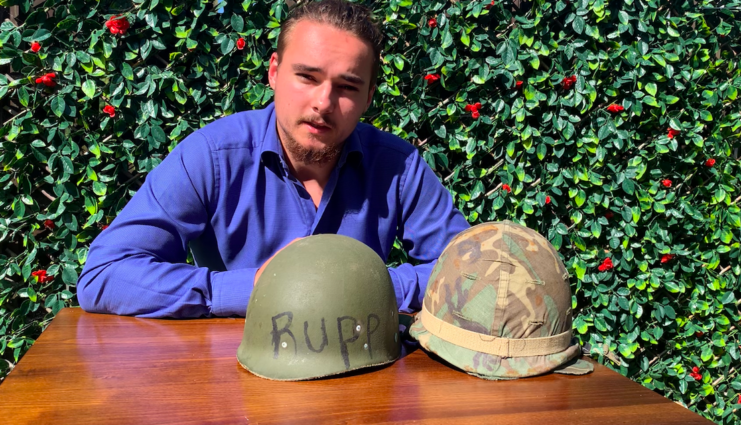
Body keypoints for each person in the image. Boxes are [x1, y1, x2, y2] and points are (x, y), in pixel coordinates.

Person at [76, 0, 469, 318]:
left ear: (368, 98)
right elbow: (104, 274)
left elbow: (468, 272)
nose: (323, 103)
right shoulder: (213, 157)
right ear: (274, 74)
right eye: (307, 77)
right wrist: (249, 289)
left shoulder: (399, 166)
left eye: (347, 86)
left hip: (365, 373)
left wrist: (362, 286)